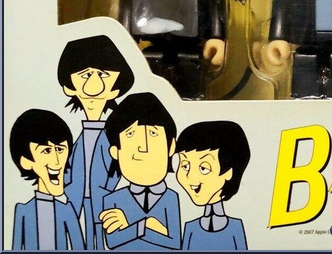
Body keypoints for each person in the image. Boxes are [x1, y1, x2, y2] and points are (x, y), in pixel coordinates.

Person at [58, 35, 135, 249]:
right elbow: (69, 167)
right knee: (76, 237)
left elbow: (119, 166)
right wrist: (69, 188)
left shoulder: (111, 138)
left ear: (115, 88)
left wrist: (108, 189)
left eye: (103, 75)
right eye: (85, 75)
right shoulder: (78, 140)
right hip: (75, 197)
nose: (94, 85)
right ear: (69, 87)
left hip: (104, 197)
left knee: (101, 238)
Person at [101, 92, 181, 250]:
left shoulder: (170, 197)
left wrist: (130, 225)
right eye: (130, 134)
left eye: (153, 133)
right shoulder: (112, 199)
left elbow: (175, 241)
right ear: (115, 152)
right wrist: (145, 226)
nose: (143, 147)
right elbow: (112, 241)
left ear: (171, 146)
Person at [10, 109, 84, 250]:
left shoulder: (67, 210)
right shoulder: (23, 211)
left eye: (60, 149)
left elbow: (80, 248)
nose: (56, 161)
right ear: (26, 161)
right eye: (46, 151)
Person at [176, 121, 251, 250]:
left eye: (203, 168)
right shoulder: (190, 228)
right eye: (185, 166)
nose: (190, 176)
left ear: (228, 172)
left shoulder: (235, 227)